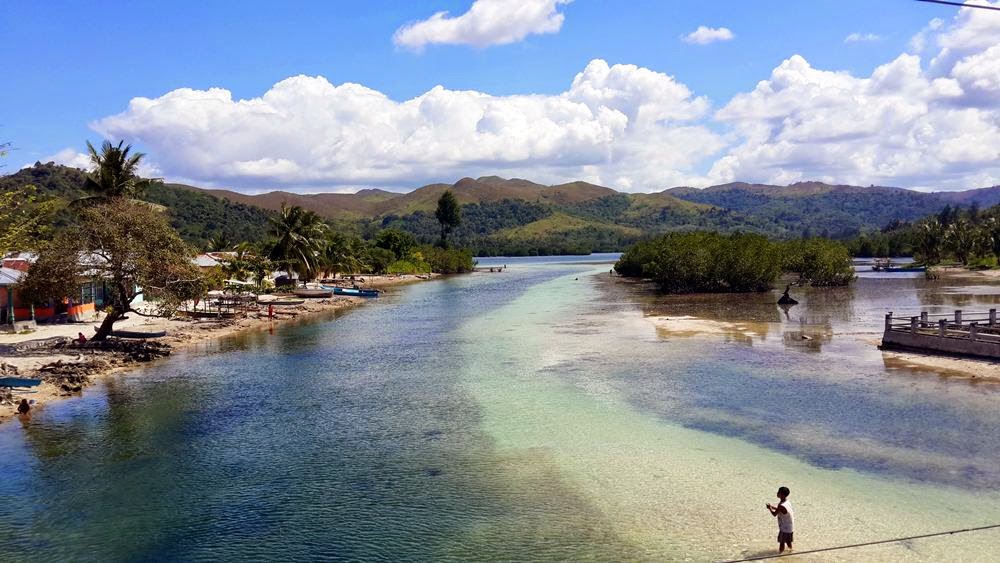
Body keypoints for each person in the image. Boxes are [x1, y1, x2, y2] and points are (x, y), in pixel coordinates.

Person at [766, 486, 794, 553]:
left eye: (779, 492)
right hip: (790, 527)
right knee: (788, 541)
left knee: (782, 543)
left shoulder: (781, 505)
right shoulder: (787, 502)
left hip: (784, 528)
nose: (777, 493)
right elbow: (781, 510)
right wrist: (772, 507)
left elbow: (774, 514)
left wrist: (769, 508)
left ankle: (780, 555)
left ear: (783, 495)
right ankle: (791, 551)